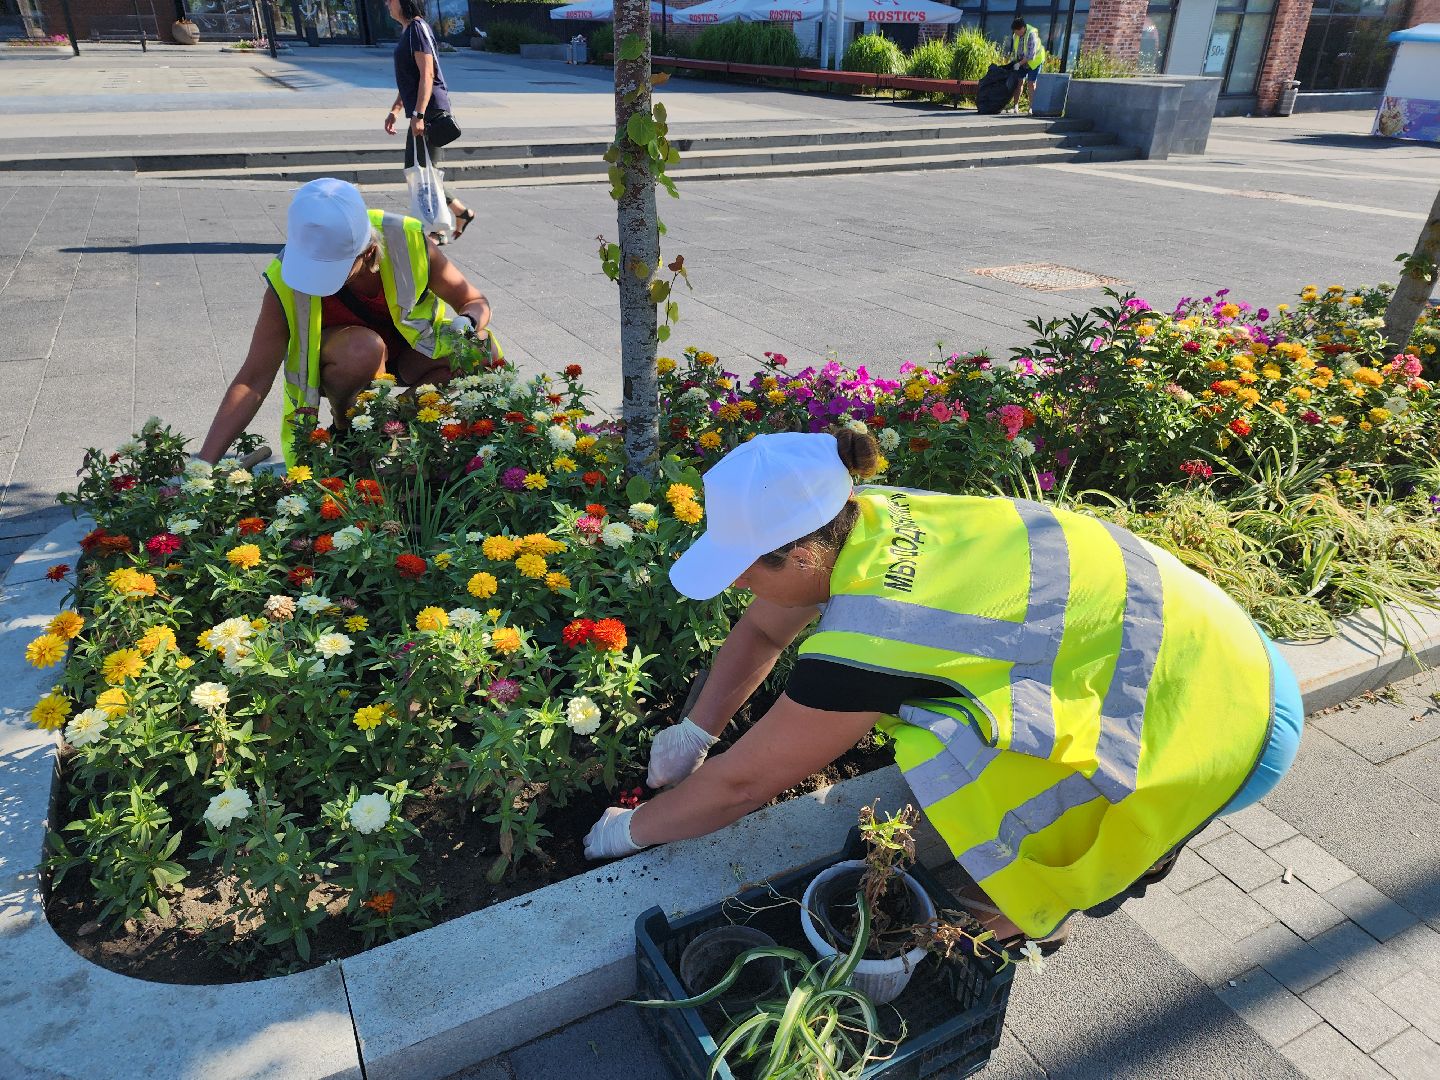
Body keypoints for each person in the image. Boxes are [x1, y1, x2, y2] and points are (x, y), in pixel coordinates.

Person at [583, 430, 1305, 950]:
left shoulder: (869, 641)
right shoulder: (870, 515)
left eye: (744, 568)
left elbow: (742, 787)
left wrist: (632, 830)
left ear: (800, 553)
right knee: (954, 703)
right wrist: (699, 729)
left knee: (948, 743)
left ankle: (1076, 885)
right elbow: (762, 632)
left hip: (1220, 727)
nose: (738, 584)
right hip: (1220, 642)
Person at [197, 178, 494, 466]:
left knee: (480, 347)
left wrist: (467, 321)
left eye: (331, 269)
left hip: (411, 355)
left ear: (368, 251)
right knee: (364, 347)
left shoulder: (407, 242)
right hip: (347, 365)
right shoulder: (285, 278)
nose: (317, 279)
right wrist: (205, 463)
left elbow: (473, 301)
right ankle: (347, 428)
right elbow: (253, 379)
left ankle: (394, 423)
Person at [383, 0, 475, 242]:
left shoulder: (417, 29)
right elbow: (410, 79)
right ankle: (460, 213)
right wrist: (396, 109)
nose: (387, 3)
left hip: (430, 110)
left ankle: (438, 230)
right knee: (421, 169)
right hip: (422, 109)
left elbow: (427, 73)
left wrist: (419, 114)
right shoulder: (408, 30)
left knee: (423, 170)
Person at [1002, 17, 1047, 115]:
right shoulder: (1016, 35)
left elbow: (1031, 55)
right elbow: (1016, 50)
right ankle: (1015, 106)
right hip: (1022, 61)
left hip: (1034, 62)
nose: (1016, 34)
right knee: (1018, 82)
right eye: (1015, 32)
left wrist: (1019, 64)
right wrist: (1015, 62)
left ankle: (1031, 108)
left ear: (1022, 28)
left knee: (1031, 84)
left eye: (1017, 31)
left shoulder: (1032, 35)